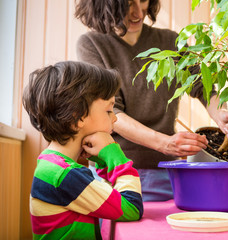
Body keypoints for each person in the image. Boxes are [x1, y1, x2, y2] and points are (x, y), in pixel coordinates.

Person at [75, 0, 228, 201]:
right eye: (128, 4)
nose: (138, 12)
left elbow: (201, 87)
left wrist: (219, 113)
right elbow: (112, 112)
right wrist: (165, 143)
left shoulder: (171, 41)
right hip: (113, 174)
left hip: (163, 173)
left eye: (143, 0)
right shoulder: (92, 44)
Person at [22, 61, 143, 239]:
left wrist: (102, 159)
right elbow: (131, 207)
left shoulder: (54, 165)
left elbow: (109, 199)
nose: (115, 119)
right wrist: (114, 154)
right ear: (77, 116)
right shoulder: (63, 175)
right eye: (109, 110)